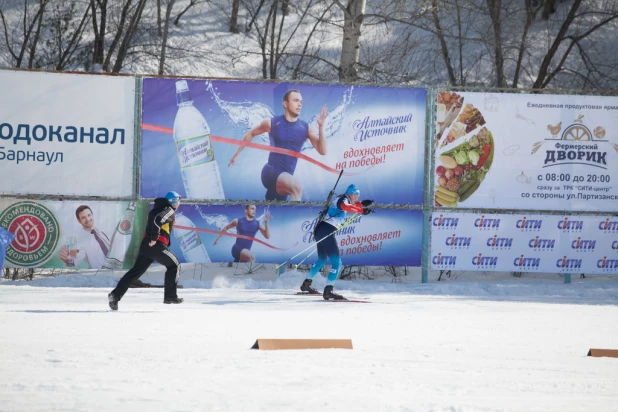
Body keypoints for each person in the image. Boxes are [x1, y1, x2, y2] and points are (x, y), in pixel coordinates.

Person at [228, 89, 328, 201]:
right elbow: (251, 133)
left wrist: (321, 127)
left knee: (273, 207)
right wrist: (237, 153)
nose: (299, 104)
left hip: (285, 178)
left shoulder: (307, 128)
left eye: (301, 101)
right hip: (270, 171)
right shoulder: (272, 123)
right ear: (285, 104)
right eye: (295, 100)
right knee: (297, 188)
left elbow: (322, 151)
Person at [108, 191, 183, 310]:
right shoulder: (168, 210)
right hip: (157, 245)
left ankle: (115, 295)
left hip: (146, 247)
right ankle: (170, 296)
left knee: (135, 272)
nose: (179, 203)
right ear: (174, 201)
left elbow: (157, 220)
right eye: (179, 201)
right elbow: (156, 219)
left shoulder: (159, 208)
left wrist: (170, 222)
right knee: (175, 266)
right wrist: (154, 238)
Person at [300, 184, 374, 300]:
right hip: (326, 231)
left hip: (320, 230)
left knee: (321, 260)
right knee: (337, 262)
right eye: (357, 196)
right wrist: (361, 210)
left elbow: (349, 205)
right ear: (352, 194)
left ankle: (306, 284)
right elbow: (345, 206)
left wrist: (362, 204)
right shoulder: (343, 200)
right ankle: (328, 290)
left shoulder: (342, 198)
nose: (357, 198)